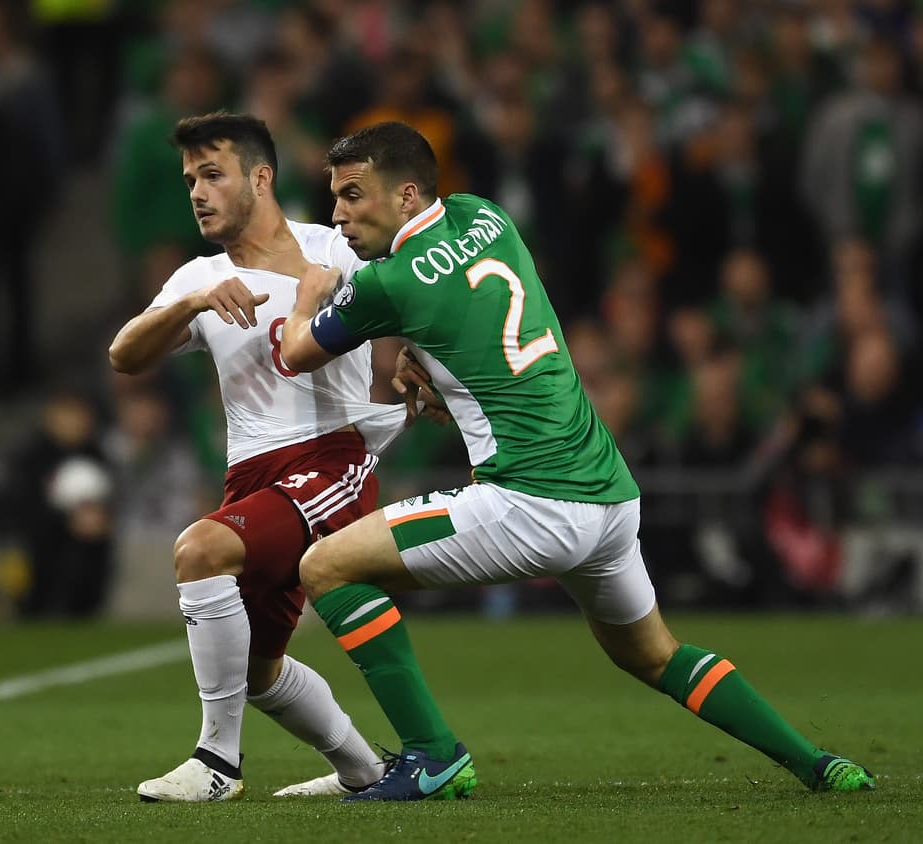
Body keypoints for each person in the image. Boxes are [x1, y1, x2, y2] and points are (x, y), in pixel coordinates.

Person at [278, 121, 876, 802]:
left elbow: (297, 353)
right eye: (335, 197)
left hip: (530, 504)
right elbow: (470, 316)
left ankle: (431, 757)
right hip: (611, 498)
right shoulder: (487, 216)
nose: (339, 214)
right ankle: (818, 764)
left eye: (354, 195)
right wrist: (432, 366)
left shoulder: (388, 284)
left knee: (326, 568)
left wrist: (308, 295)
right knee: (654, 654)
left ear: (407, 194)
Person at [108, 112, 433, 803]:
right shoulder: (199, 278)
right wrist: (187, 305)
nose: (197, 191)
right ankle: (364, 771)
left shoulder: (333, 251)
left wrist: (413, 358)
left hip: (332, 462)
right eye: (191, 178)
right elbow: (124, 355)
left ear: (261, 178)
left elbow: (416, 303)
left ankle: (216, 763)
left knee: (199, 552)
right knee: (257, 671)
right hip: (251, 477)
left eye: (213, 174)